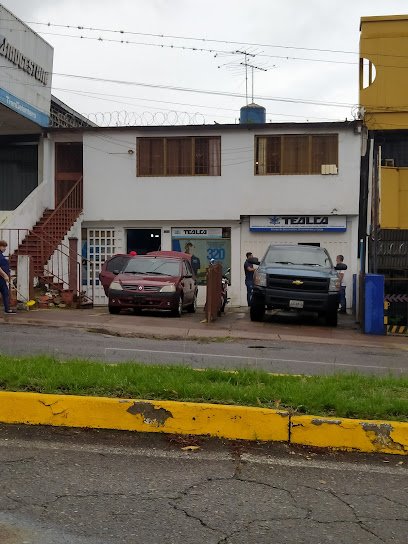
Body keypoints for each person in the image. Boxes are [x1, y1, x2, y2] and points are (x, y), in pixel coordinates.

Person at [0, 240, 16, 314]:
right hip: (1, 278)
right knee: (5, 292)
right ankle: (7, 309)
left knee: (5, 293)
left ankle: (7, 309)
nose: (4, 248)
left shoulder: (1, 255)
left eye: (5, 247)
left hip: (3, 278)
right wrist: (4, 275)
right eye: (3, 246)